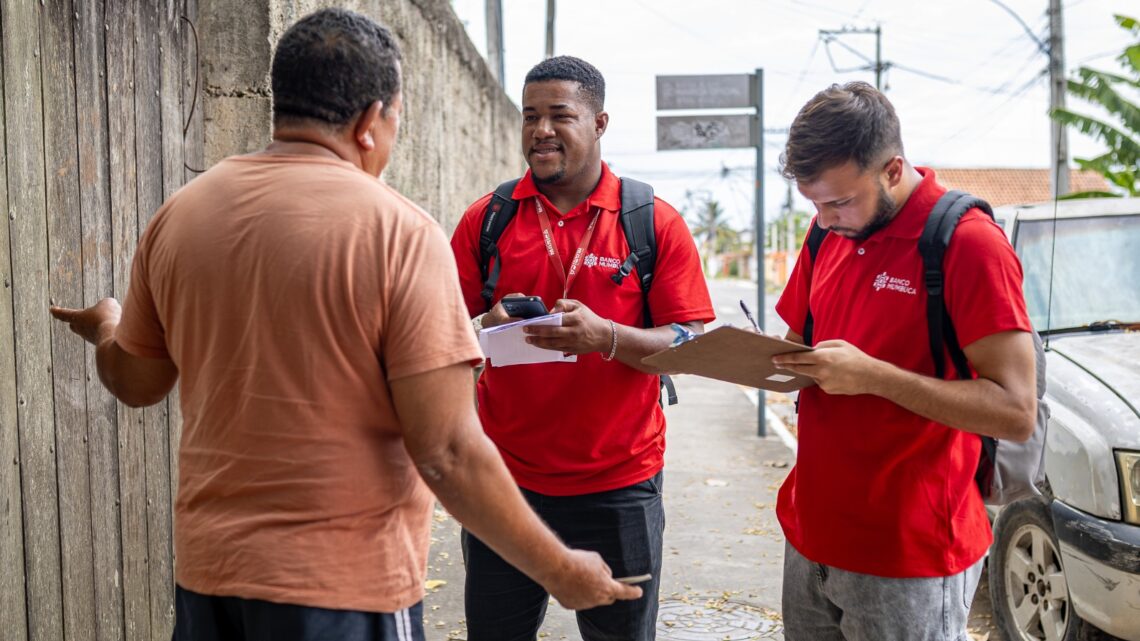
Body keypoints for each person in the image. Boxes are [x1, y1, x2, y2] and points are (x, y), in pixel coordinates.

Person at [49, 10, 639, 641]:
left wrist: (108, 325)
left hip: (210, 577)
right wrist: (560, 569)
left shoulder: (183, 214)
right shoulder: (399, 233)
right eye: (394, 121)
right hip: (347, 587)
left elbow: (137, 382)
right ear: (369, 122)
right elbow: (445, 452)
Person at [449, 55, 714, 641]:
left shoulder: (651, 221)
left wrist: (607, 338)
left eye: (560, 115)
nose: (541, 130)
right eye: (530, 117)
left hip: (621, 486)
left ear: (599, 123)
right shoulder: (488, 221)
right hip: (506, 482)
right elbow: (436, 331)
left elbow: (689, 341)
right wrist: (485, 326)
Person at [769, 81, 1038, 640]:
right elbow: (796, 344)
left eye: (840, 201)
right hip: (812, 533)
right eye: (814, 204)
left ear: (893, 169)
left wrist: (875, 377)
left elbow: (1015, 411)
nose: (823, 219)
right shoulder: (826, 235)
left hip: (908, 552)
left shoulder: (967, 243)